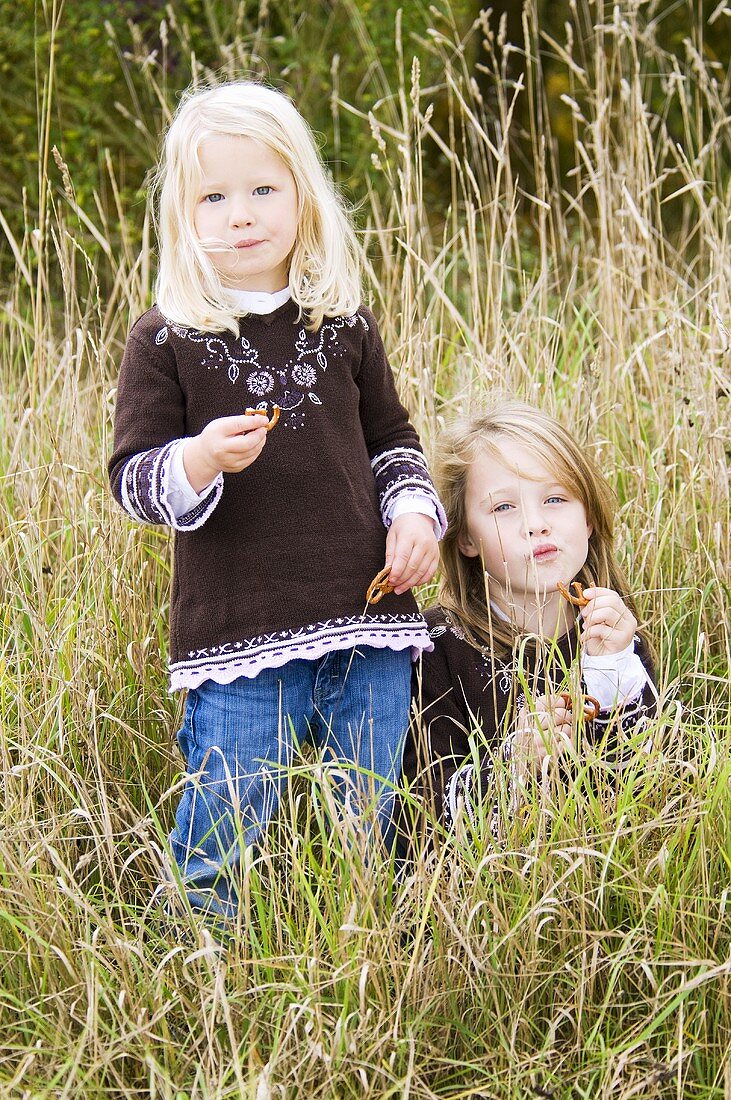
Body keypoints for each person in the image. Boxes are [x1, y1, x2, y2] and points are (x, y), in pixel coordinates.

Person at [109, 81, 445, 916]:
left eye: (263, 189)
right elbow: (132, 478)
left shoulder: (343, 324)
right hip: (239, 630)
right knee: (225, 821)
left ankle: (359, 958)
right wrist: (197, 459)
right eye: (213, 197)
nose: (241, 214)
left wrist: (410, 513)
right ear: (183, 216)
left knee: (365, 823)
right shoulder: (166, 337)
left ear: (302, 195)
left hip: (367, 614)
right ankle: (199, 978)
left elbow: (391, 441)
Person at [402, 402, 657, 838]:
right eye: (503, 508)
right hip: (491, 899)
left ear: (589, 517)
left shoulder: (613, 630)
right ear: (465, 537)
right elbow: (420, 822)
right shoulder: (436, 651)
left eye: (555, 499)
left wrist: (612, 673)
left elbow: (650, 794)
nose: (536, 525)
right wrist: (512, 769)